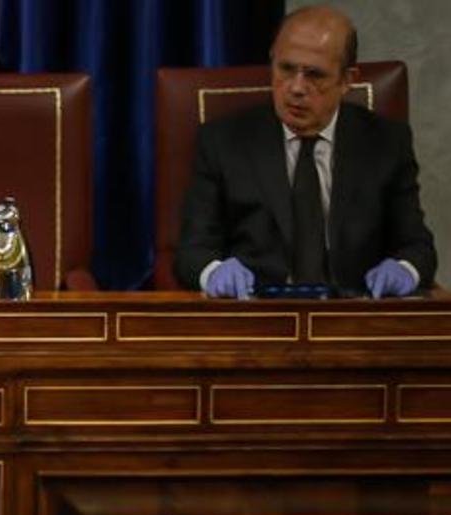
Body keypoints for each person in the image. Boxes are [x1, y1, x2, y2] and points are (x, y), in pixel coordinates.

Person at [175, 5, 435, 299]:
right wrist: (212, 271)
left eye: (315, 75)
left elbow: (418, 247)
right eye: (286, 69)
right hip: (258, 315)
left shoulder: (386, 142)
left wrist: (405, 268)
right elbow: (191, 251)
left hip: (352, 318)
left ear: (347, 80)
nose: (296, 88)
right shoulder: (223, 141)